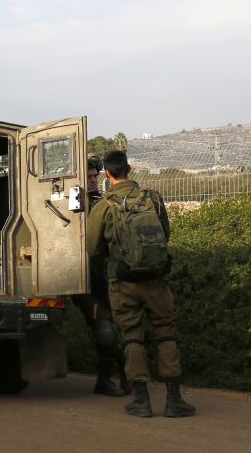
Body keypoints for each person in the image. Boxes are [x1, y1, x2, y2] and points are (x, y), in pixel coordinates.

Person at [87, 150, 196, 418]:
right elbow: (165, 234)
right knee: (166, 333)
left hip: (123, 282)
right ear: (130, 168)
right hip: (156, 280)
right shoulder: (152, 198)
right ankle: (174, 400)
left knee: (132, 337)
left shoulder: (104, 206)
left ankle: (142, 400)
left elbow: (92, 248)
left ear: (106, 173)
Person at [71, 156, 128, 396]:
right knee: (103, 329)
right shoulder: (74, 204)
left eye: (96, 175)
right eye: (89, 176)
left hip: (106, 276)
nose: (93, 180)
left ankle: (108, 379)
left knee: (114, 328)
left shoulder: (104, 202)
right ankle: (120, 374)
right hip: (82, 277)